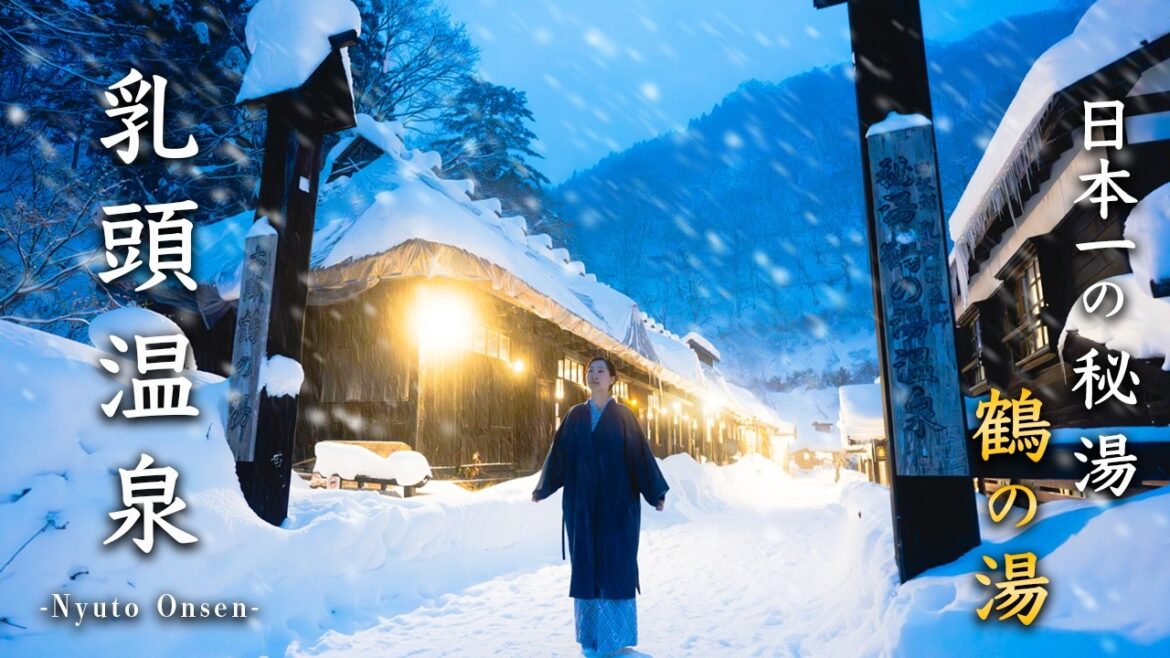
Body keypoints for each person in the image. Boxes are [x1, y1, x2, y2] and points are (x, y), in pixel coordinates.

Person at [532, 356, 669, 657]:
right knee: (587, 566)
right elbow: (559, 456)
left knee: (615, 565)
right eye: (589, 371)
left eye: (600, 371)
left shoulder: (623, 416)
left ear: (612, 379)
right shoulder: (575, 415)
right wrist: (543, 488)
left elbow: (639, 456)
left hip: (617, 506)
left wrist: (655, 490)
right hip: (581, 505)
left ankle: (615, 637)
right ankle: (591, 637)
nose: (593, 375)